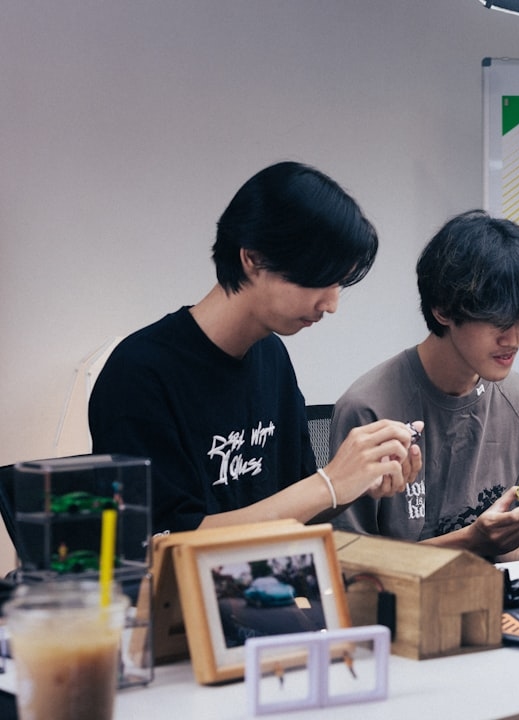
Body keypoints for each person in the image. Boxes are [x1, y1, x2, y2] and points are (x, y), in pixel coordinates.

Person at [89, 161, 421, 535]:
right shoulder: (138, 374)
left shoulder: (271, 356)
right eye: (320, 279)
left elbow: (296, 508)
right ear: (253, 258)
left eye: (339, 284)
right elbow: (167, 542)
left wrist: (355, 482)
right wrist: (329, 484)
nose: (331, 305)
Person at [330, 210, 519, 561]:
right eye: (496, 319)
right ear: (443, 309)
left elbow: (512, 542)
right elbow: (349, 564)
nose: (514, 338)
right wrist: (471, 540)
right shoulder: (369, 408)